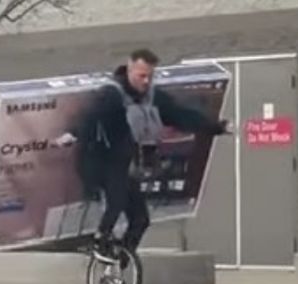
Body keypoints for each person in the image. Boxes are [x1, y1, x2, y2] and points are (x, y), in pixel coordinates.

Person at [56, 49, 230, 264]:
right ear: (129, 69)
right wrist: (72, 133)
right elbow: (90, 116)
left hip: (122, 163)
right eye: (141, 76)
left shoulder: (152, 98)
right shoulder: (111, 94)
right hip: (96, 159)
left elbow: (181, 115)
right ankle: (100, 240)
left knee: (140, 218)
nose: (146, 81)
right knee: (117, 199)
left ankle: (122, 262)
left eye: (150, 76)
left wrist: (217, 127)